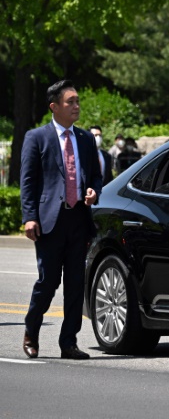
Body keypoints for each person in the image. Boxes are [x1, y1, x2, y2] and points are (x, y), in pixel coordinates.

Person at [20, 80, 102, 360]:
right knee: (48, 281)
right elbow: (28, 181)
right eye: (71, 102)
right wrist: (29, 217)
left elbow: (96, 176)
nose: (77, 106)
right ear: (54, 106)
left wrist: (94, 190)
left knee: (76, 284)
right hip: (49, 222)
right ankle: (31, 330)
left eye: (78, 101)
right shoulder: (36, 137)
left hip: (79, 219)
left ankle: (69, 342)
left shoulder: (86, 138)